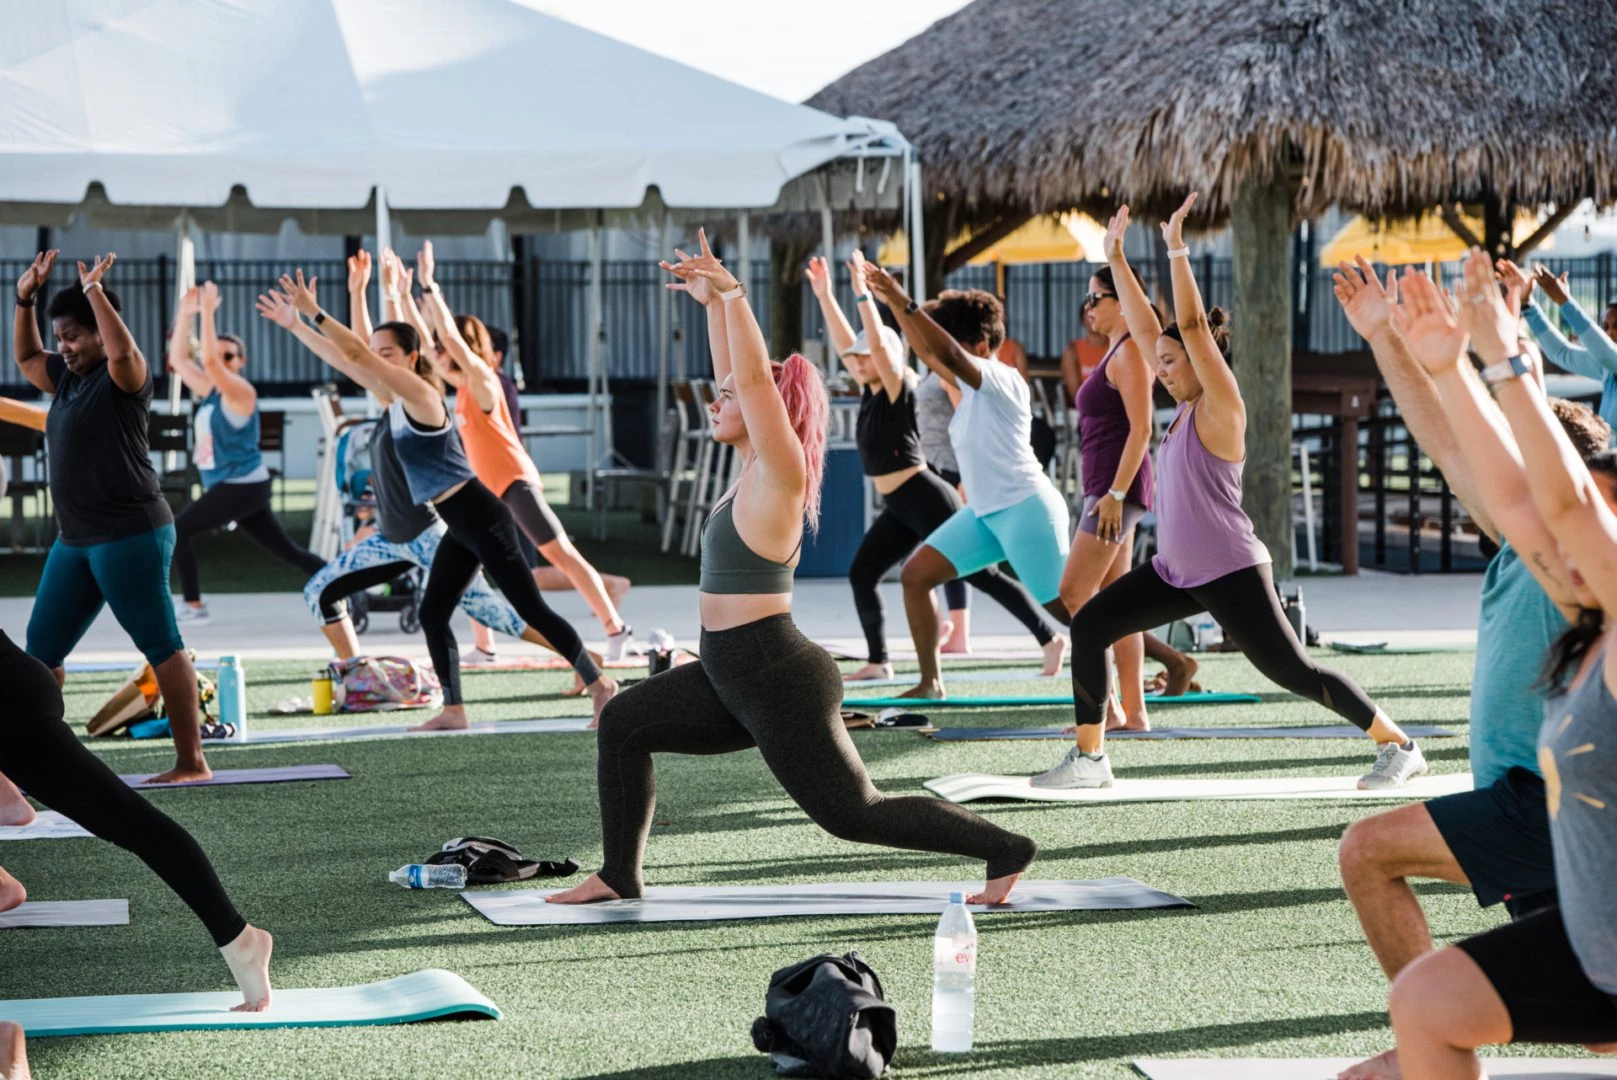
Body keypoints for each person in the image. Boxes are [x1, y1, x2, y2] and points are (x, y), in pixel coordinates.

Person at [546, 230, 1036, 906]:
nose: (715, 403)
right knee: (625, 723)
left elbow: (749, 381)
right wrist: (710, 305)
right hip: (731, 669)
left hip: (773, 673)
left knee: (851, 815)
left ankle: (1005, 848)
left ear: (761, 411)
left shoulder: (778, 474)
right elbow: (737, 377)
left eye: (726, 400)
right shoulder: (748, 469)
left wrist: (735, 295)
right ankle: (619, 873)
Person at [1330, 256, 1612, 1080]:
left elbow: (1549, 502)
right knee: (1495, 1013)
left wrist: (1504, 358)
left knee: (1369, 858)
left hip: (1535, 809)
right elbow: (1473, 463)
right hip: (1577, 853)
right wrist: (1422, 351)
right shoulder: (1559, 584)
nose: (1551, 532)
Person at [1032, 197, 1423, 791]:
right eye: (1156, 363)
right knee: (1089, 626)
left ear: (1202, 361)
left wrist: (1176, 250)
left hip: (1231, 570)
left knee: (1295, 671)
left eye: (1171, 362)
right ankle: (1090, 760)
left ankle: (1399, 746)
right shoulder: (1183, 411)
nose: (1161, 370)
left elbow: (1187, 327)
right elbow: (1148, 327)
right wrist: (1115, 255)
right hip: (1174, 571)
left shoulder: (1222, 406)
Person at [261, 271, 615, 728]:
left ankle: (600, 683)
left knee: (529, 608)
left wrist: (313, 311)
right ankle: (454, 710)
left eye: (386, 353)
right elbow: (347, 359)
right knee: (432, 613)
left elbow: (354, 352)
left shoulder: (424, 397)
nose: (375, 359)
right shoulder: (392, 399)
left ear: (411, 358)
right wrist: (296, 327)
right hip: (459, 527)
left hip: (482, 516)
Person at [806, 253, 1060, 682]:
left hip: (945, 496)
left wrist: (874, 298)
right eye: (857, 358)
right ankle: (903, 670)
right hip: (923, 503)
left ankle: (1054, 637)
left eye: (868, 355)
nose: (859, 361)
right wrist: (827, 295)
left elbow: (926, 350)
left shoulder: (897, 380)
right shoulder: (870, 383)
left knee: (1011, 586)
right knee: (882, 573)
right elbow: (861, 343)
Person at [12, 251, 212, 784]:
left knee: (160, 642)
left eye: (74, 335)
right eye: (61, 336)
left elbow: (124, 350)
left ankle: (192, 761)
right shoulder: (69, 378)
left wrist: (95, 291)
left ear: (100, 333)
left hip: (131, 533)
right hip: (75, 540)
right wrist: (24, 296)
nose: (64, 346)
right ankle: (41, 758)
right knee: (41, 654)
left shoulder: (124, 378)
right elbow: (28, 358)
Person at [381, 248, 633, 665]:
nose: (440, 357)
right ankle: (484, 645)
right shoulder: (459, 387)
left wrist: (431, 286)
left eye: (450, 349)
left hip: (515, 483)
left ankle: (616, 629)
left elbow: (444, 338)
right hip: (487, 492)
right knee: (472, 569)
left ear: (466, 347)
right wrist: (403, 297)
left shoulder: (484, 380)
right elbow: (426, 346)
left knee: (561, 555)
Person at [0, 629, 273, 1012]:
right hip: (16, 695)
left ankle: (240, 939)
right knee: (132, 822)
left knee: (132, 823)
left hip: (11, 703)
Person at [862, 272, 1071, 698]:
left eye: (956, 347)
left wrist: (904, 298)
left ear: (979, 348)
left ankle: (1169, 658)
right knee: (915, 576)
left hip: (1026, 508)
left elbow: (949, 355)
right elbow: (928, 350)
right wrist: (894, 304)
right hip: (985, 514)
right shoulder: (967, 388)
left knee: (1074, 612)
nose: (942, 359)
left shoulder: (1001, 376)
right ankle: (930, 682)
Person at [1058, 213, 1197, 732]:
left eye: (1095, 298)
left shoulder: (1131, 356)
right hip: (1108, 488)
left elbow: (1142, 429)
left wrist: (1115, 494)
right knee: (1114, 605)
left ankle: (1107, 707)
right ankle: (1133, 711)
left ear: (1120, 300)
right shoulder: (1116, 353)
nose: (1087, 309)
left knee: (1075, 593)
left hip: (1118, 490)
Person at [167, 282, 326, 625]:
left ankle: (194, 606)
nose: (218, 362)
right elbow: (179, 359)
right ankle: (349, 584)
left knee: (178, 530)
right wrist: (185, 313)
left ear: (241, 362)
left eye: (228, 357)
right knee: (289, 553)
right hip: (239, 485)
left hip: (242, 485)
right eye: (218, 354)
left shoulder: (242, 392)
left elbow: (207, 359)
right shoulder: (211, 391)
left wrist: (208, 313)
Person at [1511, 260, 1617, 432]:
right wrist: (1527, 305)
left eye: (1616, 326)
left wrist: (1565, 302)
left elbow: (1604, 352)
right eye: (1606, 326)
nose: (1610, 332)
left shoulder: (1608, 359)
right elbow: (1561, 352)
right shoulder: (1606, 368)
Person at [913, 368, 972, 654]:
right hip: (933, 468)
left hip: (950, 469)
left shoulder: (948, 371)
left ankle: (959, 633)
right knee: (935, 552)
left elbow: (966, 420)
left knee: (950, 554)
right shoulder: (928, 370)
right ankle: (947, 627)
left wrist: (966, 476)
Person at [1060, 301, 1110, 401]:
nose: (1092, 315)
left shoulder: (1119, 347)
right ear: (1082, 319)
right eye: (1088, 312)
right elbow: (1076, 395)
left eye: (1097, 311)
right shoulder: (1072, 351)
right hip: (1088, 409)